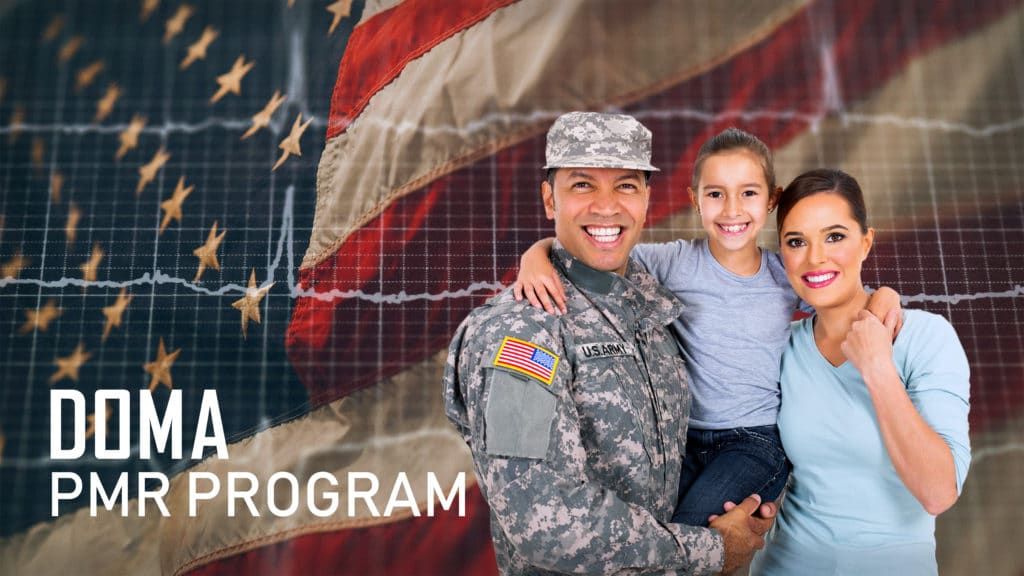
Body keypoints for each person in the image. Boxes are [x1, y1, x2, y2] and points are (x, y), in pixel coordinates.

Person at [513, 128, 901, 527]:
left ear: (772, 199)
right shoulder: (672, 262)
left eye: (748, 193)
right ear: (694, 199)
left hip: (753, 442)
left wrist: (885, 294)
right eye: (716, 194)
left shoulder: (784, 276)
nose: (732, 210)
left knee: (691, 530)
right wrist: (536, 255)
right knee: (647, 530)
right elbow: (593, 253)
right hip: (680, 440)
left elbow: (844, 296)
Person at [443, 112, 775, 575]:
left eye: (625, 185)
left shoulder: (650, 309)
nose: (606, 206)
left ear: (645, 200)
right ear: (549, 199)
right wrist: (710, 551)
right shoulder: (523, 331)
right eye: (582, 185)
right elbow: (543, 519)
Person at [749, 168, 971, 575]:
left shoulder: (925, 338)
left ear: (866, 242)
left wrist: (878, 368)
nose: (815, 257)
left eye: (835, 236)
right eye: (796, 242)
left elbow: (939, 493)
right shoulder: (779, 346)